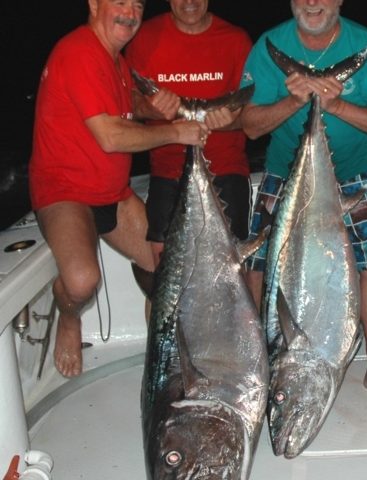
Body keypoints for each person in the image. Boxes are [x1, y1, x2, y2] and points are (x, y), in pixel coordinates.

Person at [29, 0, 210, 378]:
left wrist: (152, 108)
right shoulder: (79, 51)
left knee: (169, 266)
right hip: (66, 193)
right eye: (120, 2)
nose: (130, 12)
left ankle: (160, 359)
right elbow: (110, 136)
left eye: (138, 5)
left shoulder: (114, 58)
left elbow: (124, 104)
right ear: (94, 4)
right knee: (81, 282)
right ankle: (67, 317)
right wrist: (176, 131)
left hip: (112, 192)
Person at [240, 0, 367, 406]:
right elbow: (250, 125)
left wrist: (335, 104)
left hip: (354, 173)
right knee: (258, 265)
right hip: (286, 172)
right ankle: (260, 359)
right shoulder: (268, 46)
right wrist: (295, 101)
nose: (313, 3)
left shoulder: (365, 46)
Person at [125, 0, 253, 267]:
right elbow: (130, 104)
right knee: (164, 272)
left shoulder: (236, 40)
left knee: (231, 270)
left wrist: (230, 120)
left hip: (227, 171)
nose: (190, 2)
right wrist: (152, 109)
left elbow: (253, 113)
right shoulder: (144, 38)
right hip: (167, 172)